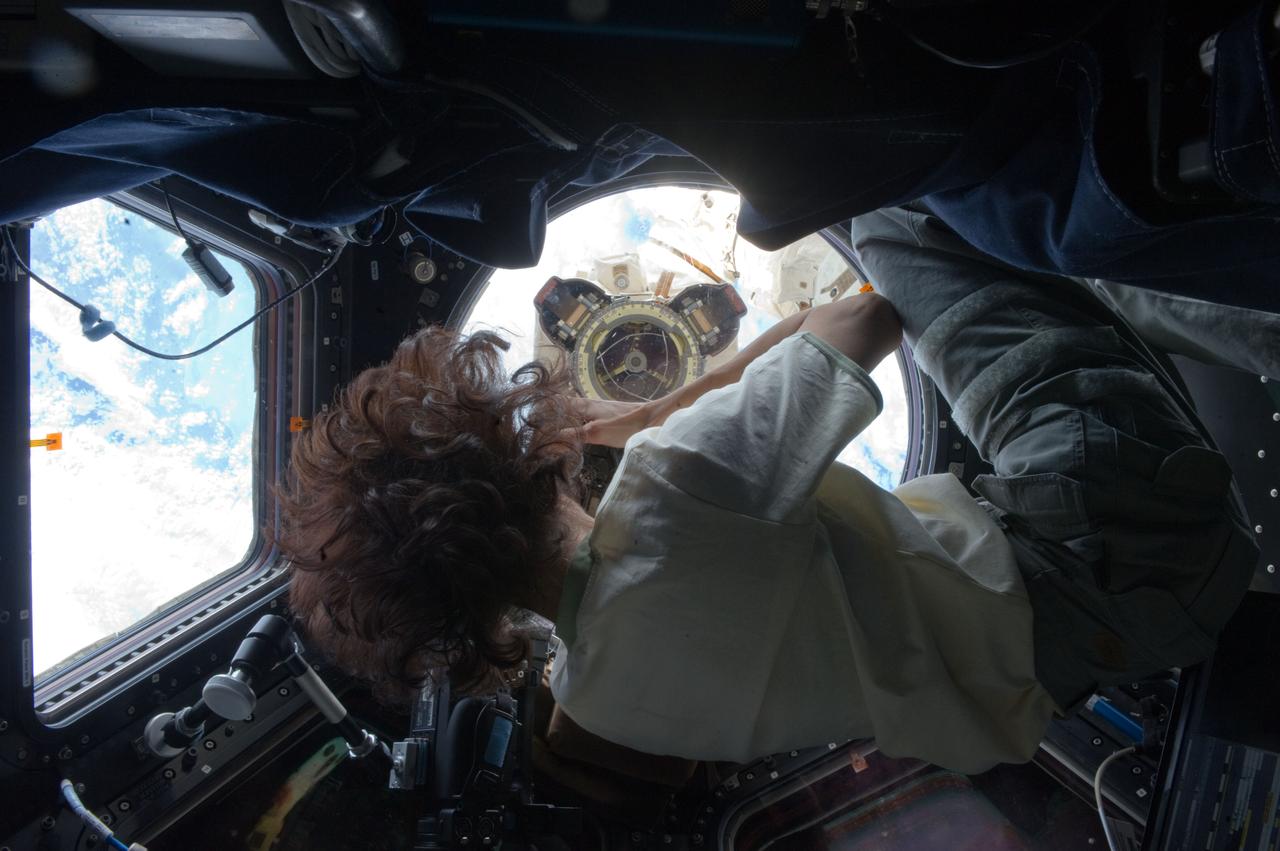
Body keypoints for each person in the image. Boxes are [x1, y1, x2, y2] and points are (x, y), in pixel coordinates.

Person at [277, 208, 1258, 774]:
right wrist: (630, 416)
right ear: (511, 451)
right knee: (909, 218)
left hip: (1116, 643)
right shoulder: (670, 496)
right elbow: (864, 317)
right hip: (1112, 532)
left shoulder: (600, 705)